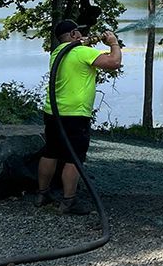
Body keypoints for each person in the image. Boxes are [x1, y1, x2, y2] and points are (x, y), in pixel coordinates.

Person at [35, 19, 122, 215]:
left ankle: (42, 194)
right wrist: (114, 43)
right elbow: (114, 62)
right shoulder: (81, 52)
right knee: (73, 158)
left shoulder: (57, 53)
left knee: (50, 152)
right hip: (75, 114)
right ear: (74, 35)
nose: (83, 36)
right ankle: (68, 202)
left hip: (53, 112)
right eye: (79, 33)